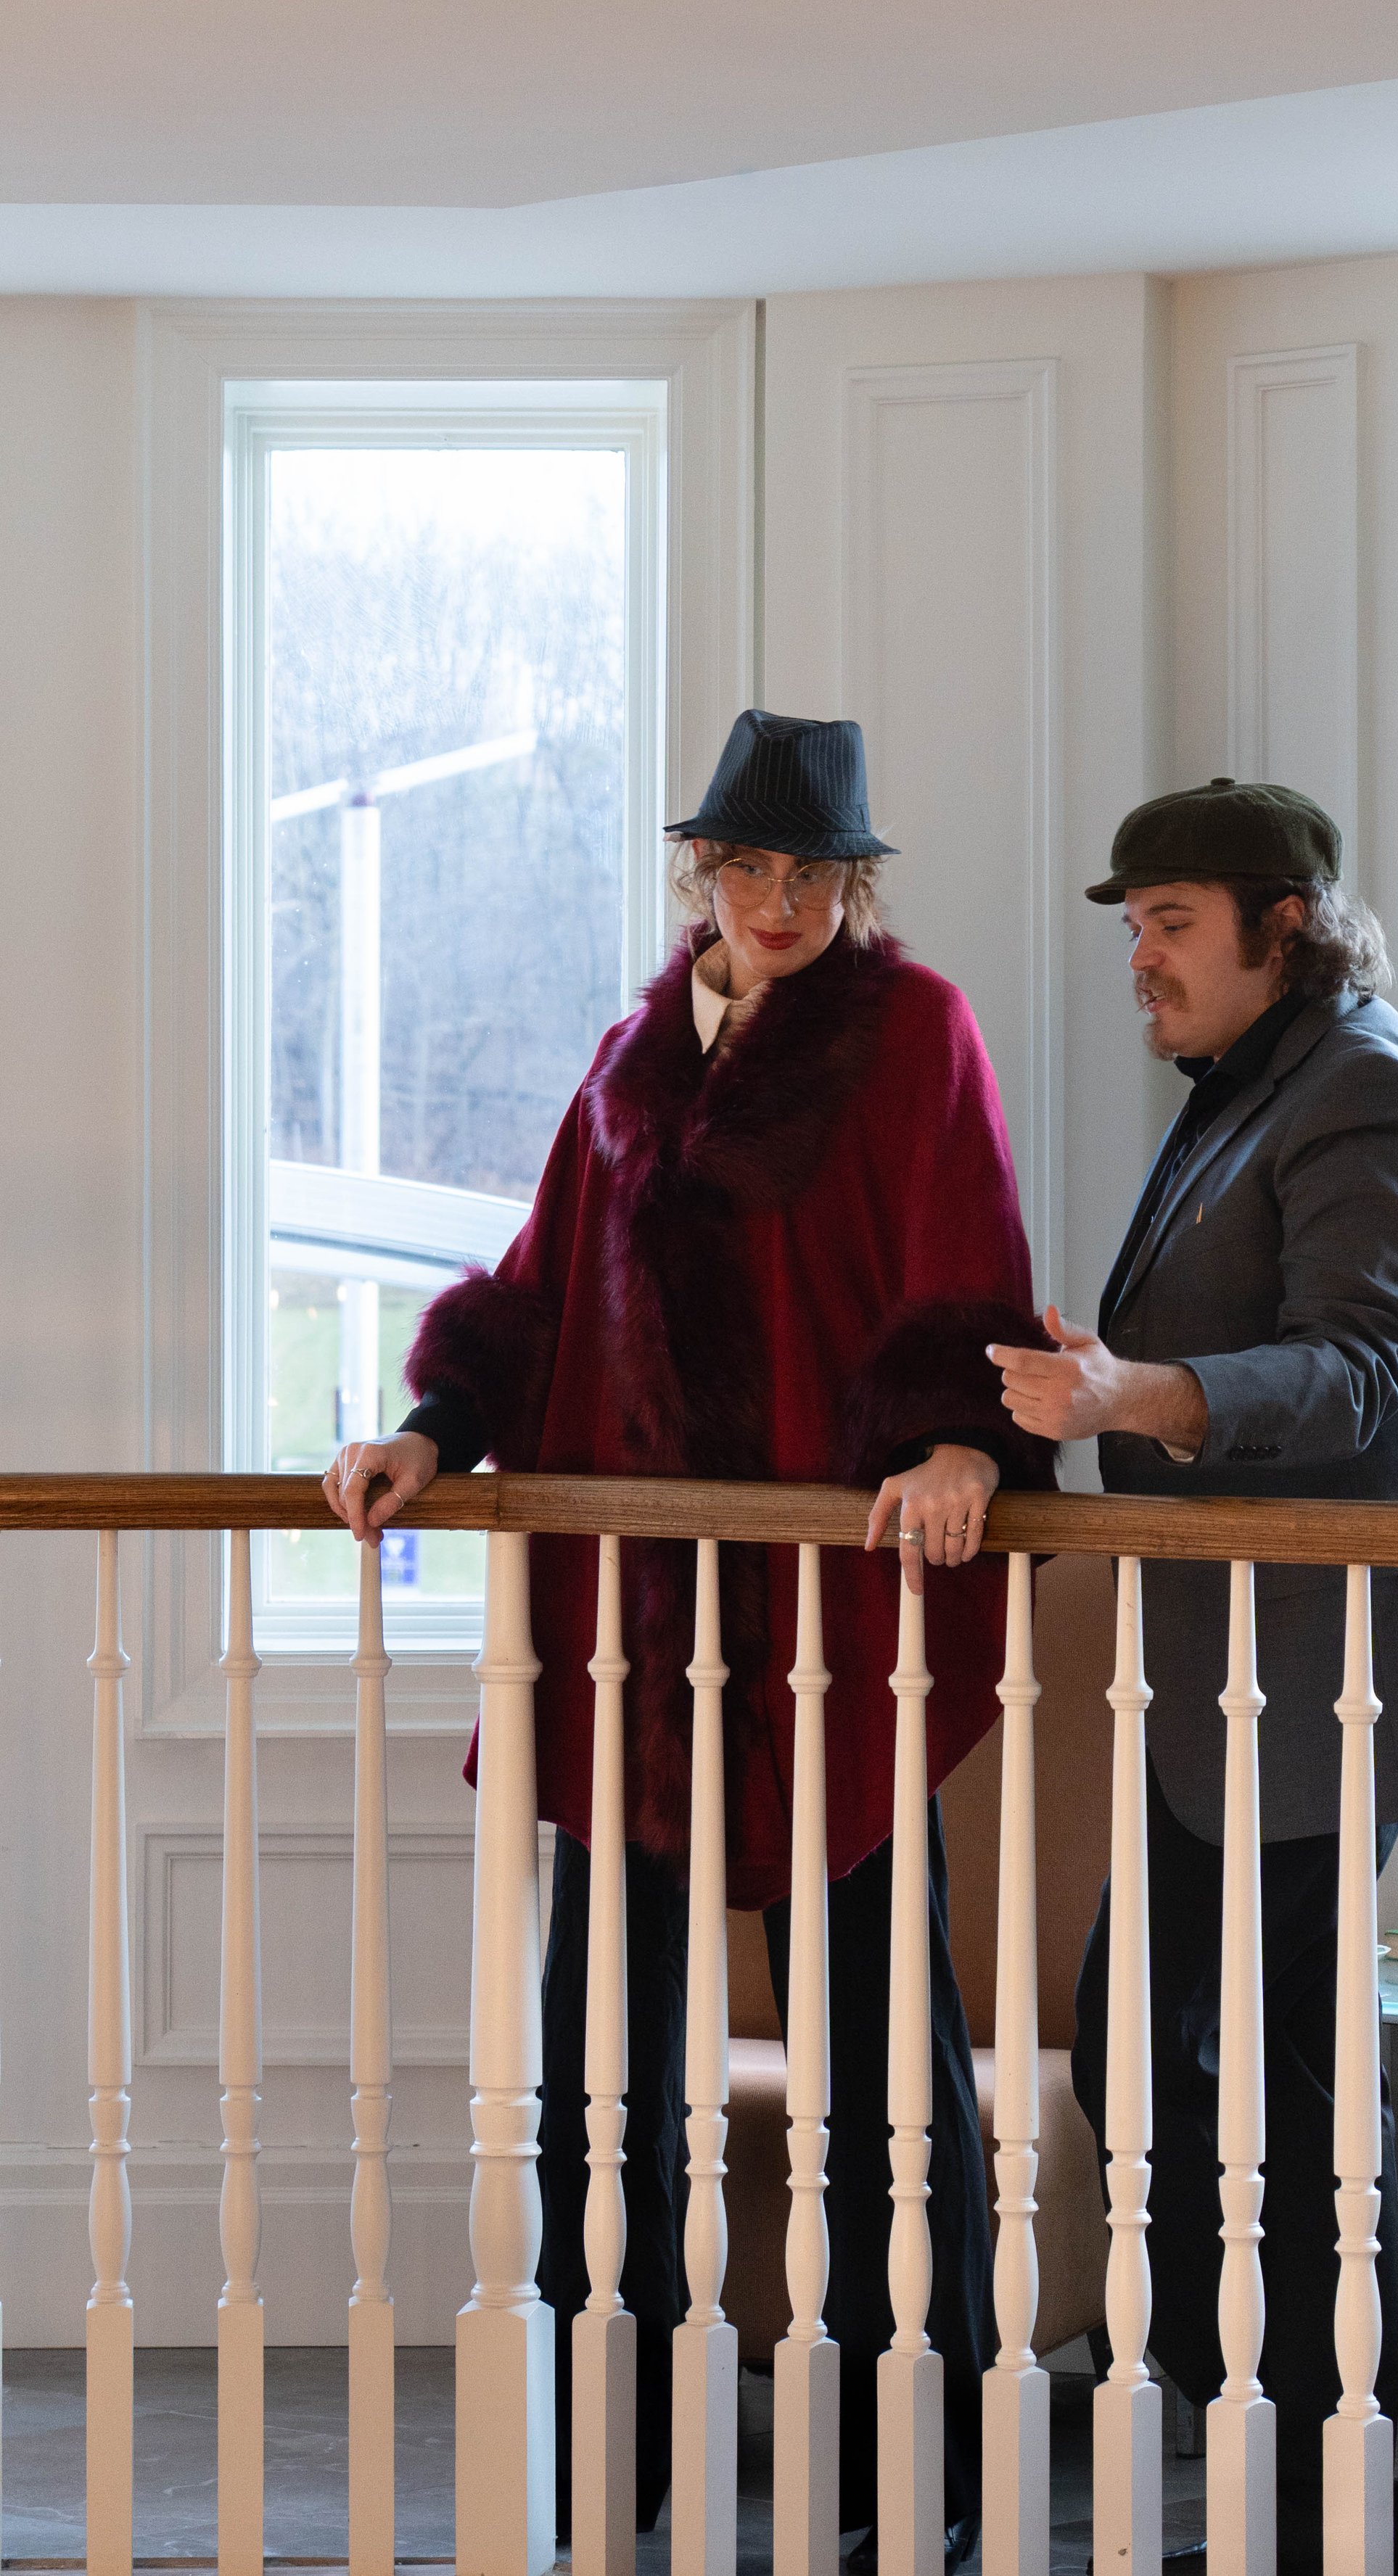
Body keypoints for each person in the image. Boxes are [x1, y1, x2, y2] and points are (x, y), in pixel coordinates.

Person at [325, 709, 1054, 2564]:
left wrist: (963, 1430)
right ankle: (616, 2448)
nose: (781, 898)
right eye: (748, 866)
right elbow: (538, 1276)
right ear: (699, 876)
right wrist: (435, 1423)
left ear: (852, 882)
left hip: (828, 1615)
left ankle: (939, 2461)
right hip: (633, 1631)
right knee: (605, 2066)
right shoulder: (631, 1052)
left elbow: (963, 1253)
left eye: (814, 870)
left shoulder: (915, 1032)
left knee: (891, 2053)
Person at [989, 776, 1398, 2576]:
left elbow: (1353, 1372)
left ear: (1282, 923)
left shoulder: (1368, 1091)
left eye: (1169, 921)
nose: (1139, 956)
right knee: (1152, 2068)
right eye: (1129, 924)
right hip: (1211, 1692)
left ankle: (1320, 2485)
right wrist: (1090, 1383)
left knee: (1262, 2094)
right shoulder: (1245, 1092)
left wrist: (1133, 1397)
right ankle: (1269, 2454)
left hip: (1312, 1675)